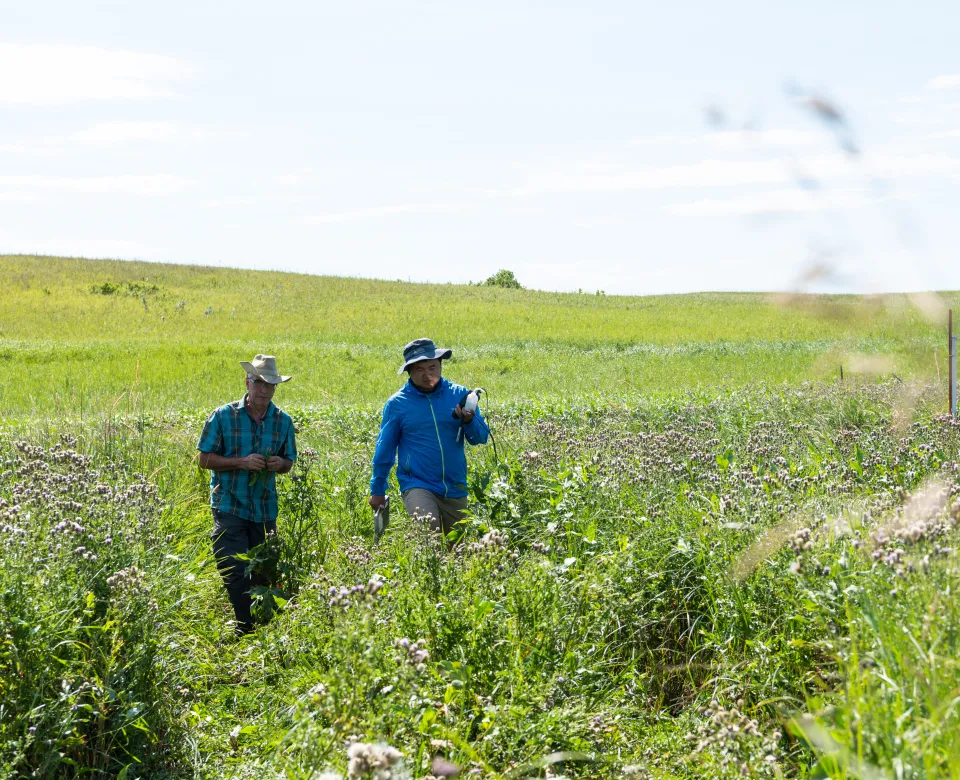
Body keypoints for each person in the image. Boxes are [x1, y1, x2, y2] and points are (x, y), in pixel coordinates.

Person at [197, 354, 297, 636]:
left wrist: (281, 465)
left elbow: (289, 461)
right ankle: (245, 627)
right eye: (258, 383)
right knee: (232, 566)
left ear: (275, 388)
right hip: (229, 502)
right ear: (247, 382)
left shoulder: (282, 422)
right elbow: (203, 459)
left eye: (270, 385)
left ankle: (263, 625)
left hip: (264, 507)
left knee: (264, 570)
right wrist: (241, 462)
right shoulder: (222, 416)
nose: (264, 390)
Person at [369, 338, 488, 541]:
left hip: (456, 485)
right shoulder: (398, 404)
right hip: (417, 483)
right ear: (409, 372)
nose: (427, 375)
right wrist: (378, 489)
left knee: (457, 548)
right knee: (427, 535)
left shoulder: (459, 395)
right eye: (419, 369)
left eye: (432, 367)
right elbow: (385, 449)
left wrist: (468, 420)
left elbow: (481, 437)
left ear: (441, 365)